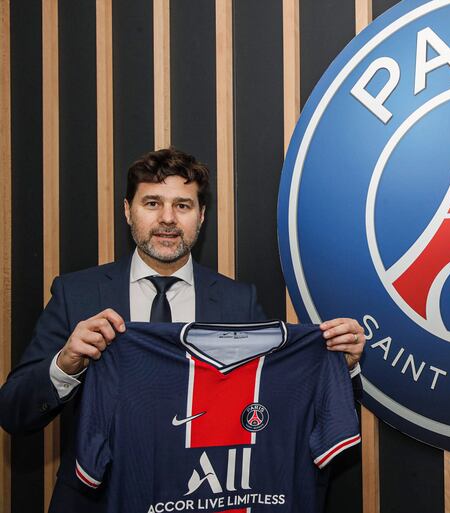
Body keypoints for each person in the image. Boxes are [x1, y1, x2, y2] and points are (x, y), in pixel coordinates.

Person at [0, 147, 365, 512]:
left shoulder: (238, 302)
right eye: (152, 203)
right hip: (100, 500)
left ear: (201, 217)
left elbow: (279, 404)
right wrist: (66, 364)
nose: (167, 219)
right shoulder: (76, 294)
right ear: (128, 210)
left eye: (183, 206)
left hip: (202, 497)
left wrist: (340, 366)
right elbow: (14, 413)